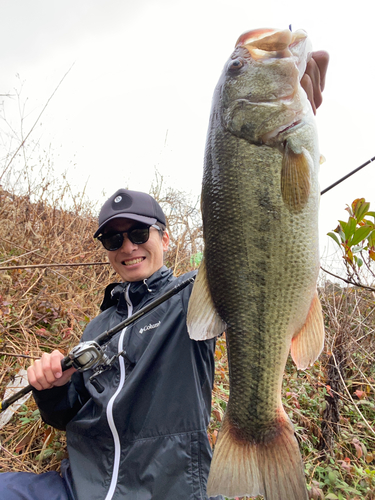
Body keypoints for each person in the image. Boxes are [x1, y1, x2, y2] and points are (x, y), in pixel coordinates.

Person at [0, 50, 329, 500]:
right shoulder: (99, 326)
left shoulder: (187, 300)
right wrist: (53, 389)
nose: (128, 246)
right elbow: (69, 416)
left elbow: (252, 252)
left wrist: (292, 126)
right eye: (113, 240)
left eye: (138, 232)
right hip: (76, 487)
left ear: (166, 238)